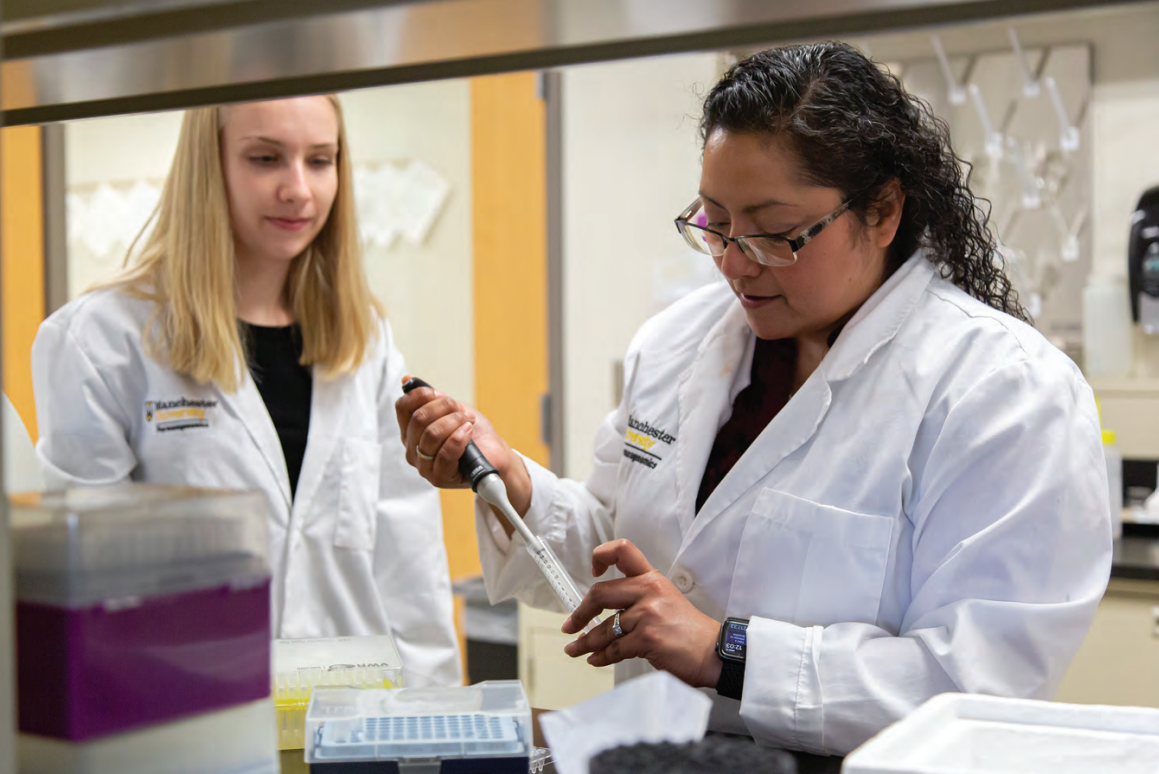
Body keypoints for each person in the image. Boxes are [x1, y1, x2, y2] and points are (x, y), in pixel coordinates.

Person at [397, 43, 1113, 753]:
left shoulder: (1002, 389)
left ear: (884, 210)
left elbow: (979, 687)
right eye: (713, 222)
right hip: (664, 751)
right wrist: (516, 489)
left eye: (773, 232)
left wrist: (727, 652)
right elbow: (629, 552)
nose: (735, 262)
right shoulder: (678, 343)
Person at [32, 96, 461, 687]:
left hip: (356, 726)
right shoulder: (101, 342)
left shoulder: (366, 341)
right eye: (265, 159)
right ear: (210, 168)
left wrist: (436, 729)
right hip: (187, 719)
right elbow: (89, 586)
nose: (299, 190)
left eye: (320, 160)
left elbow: (409, 568)